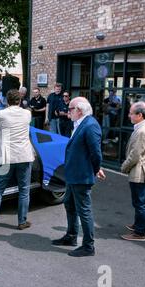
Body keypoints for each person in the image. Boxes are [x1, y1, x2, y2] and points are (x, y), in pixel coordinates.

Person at [51, 97, 105, 257]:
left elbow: (96, 152)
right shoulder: (80, 123)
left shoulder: (90, 125)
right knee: (69, 204)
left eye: (70, 109)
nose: (68, 112)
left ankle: (89, 246)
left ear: (79, 110)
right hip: (73, 175)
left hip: (81, 176)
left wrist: (96, 169)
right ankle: (71, 236)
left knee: (84, 210)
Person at [0, 89, 35, 232]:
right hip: (24, 155)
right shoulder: (27, 113)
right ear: (20, 101)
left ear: (6, 101)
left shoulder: (1, 114)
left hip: (5, 156)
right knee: (24, 190)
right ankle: (22, 221)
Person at [120, 102, 145, 242]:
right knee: (139, 202)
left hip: (140, 173)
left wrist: (124, 167)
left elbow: (135, 155)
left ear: (139, 115)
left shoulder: (141, 131)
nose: (129, 115)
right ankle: (137, 225)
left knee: (140, 203)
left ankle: (140, 233)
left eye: (131, 113)